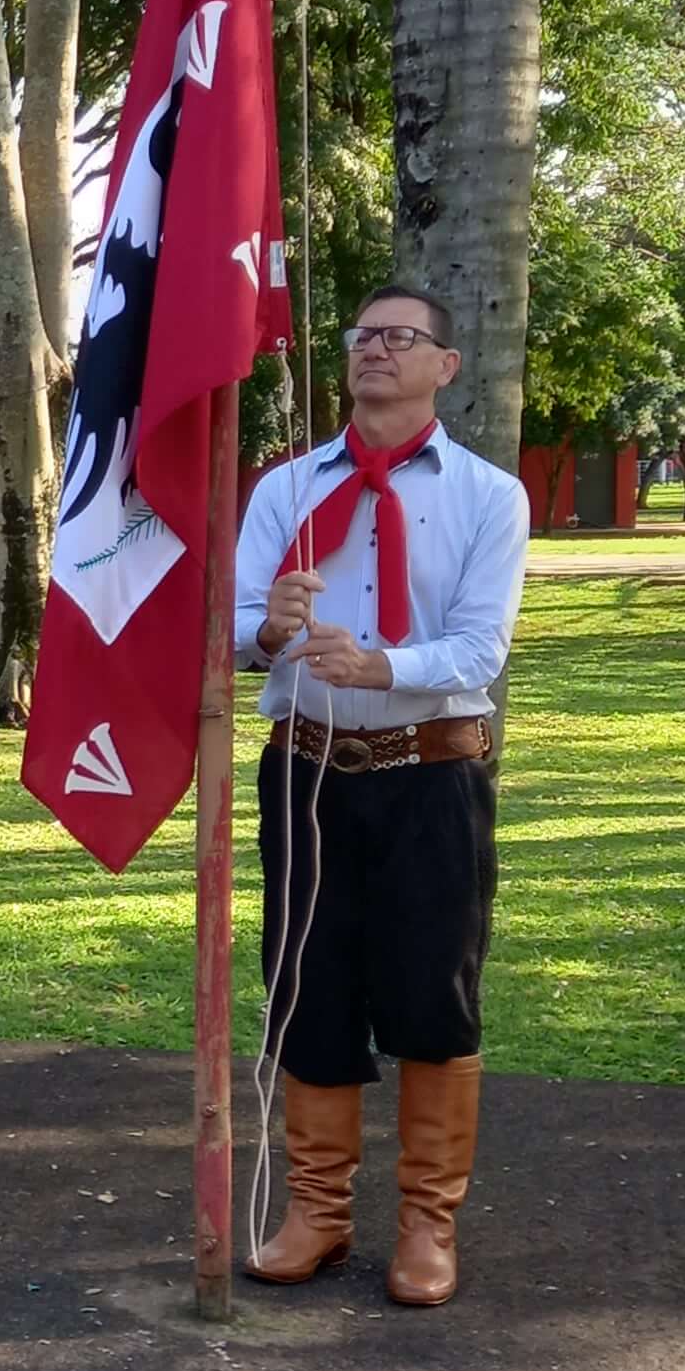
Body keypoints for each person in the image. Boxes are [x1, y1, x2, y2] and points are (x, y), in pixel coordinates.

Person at [235, 285, 530, 1305]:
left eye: (402, 337)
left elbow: (481, 647)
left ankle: (425, 1224)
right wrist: (270, 627)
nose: (376, 350)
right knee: (307, 986)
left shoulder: (488, 495)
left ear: (444, 366)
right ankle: (315, 1210)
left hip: (432, 771)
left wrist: (387, 666)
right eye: (364, 336)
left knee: (431, 994)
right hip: (307, 769)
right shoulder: (285, 491)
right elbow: (232, 629)